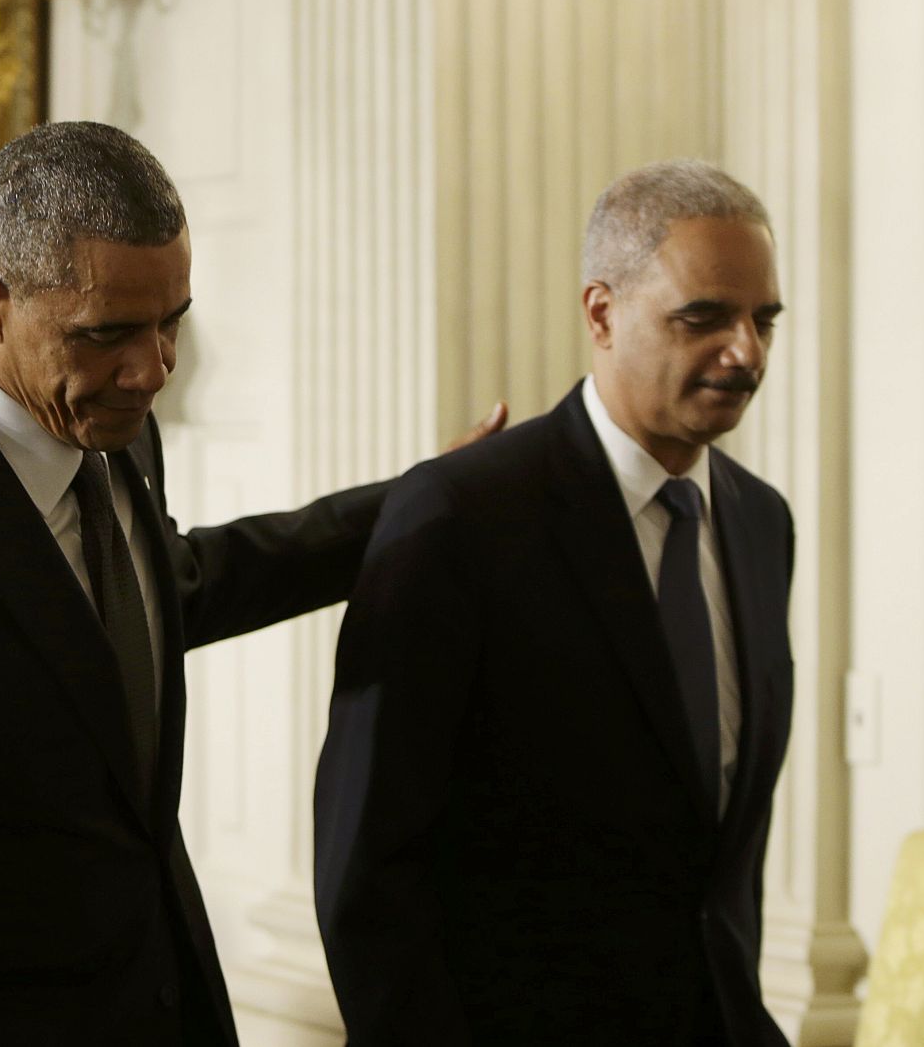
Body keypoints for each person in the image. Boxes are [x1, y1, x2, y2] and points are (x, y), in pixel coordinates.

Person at [0, 121, 503, 1046]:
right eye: (108, 333)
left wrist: (424, 504)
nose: (154, 370)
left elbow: (169, 588)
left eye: (171, 321)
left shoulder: (113, 429)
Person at [314, 159, 794, 1046]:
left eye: (762, 320)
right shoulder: (462, 515)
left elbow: (715, 858)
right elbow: (368, 872)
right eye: (705, 318)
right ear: (601, 312)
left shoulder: (764, 523)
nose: (747, 353)